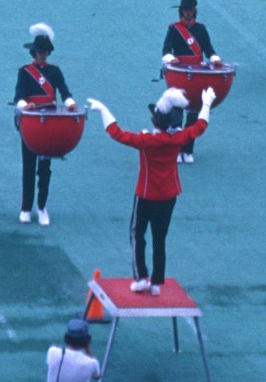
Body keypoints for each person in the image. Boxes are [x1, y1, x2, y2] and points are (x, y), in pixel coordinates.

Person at [88, 86, 214, 294]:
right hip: (169, 195)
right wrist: (207, 101)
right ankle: (156, 283)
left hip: (146, 195)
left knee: (137, 234)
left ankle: (141, 277)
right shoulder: (178, 139)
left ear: (155, 122)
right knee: (159, 238)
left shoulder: (146, 141)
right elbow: (200, 125)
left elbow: (116, 133)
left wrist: (103, 110)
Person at [13, 24, 75, 223]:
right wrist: (26, 106)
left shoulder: (55, 72)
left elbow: (64, 91)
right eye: (39, 52)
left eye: (44, 52)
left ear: (48, 52)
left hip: (49, 124)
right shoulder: (25, 72)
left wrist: (71, 104)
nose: (42, 55)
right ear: (34, 52)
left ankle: (41, 207)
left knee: (45, 169)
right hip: (31, 123)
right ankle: (25, 208)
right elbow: (19, 97)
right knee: (28, 166)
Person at [158, 0, 219, 161]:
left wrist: (215, 60)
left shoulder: (201, 29)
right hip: (180, 73)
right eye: (185, 10)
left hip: (198, 75)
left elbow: (209, 50)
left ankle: (188, 150)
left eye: (190, 10)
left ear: (194, 11)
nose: (187, 13)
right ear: (181, 11)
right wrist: (171, 59)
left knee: (193, 115)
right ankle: (177, 149)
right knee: (177, 115)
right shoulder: (174, 29)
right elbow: (166, 50)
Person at [46, 318, 100, 382]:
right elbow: (97, 376)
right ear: (87, 340)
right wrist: (87, 349)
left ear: (66, 338)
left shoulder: (53, 352)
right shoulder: (92, 363)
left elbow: (54, 346)